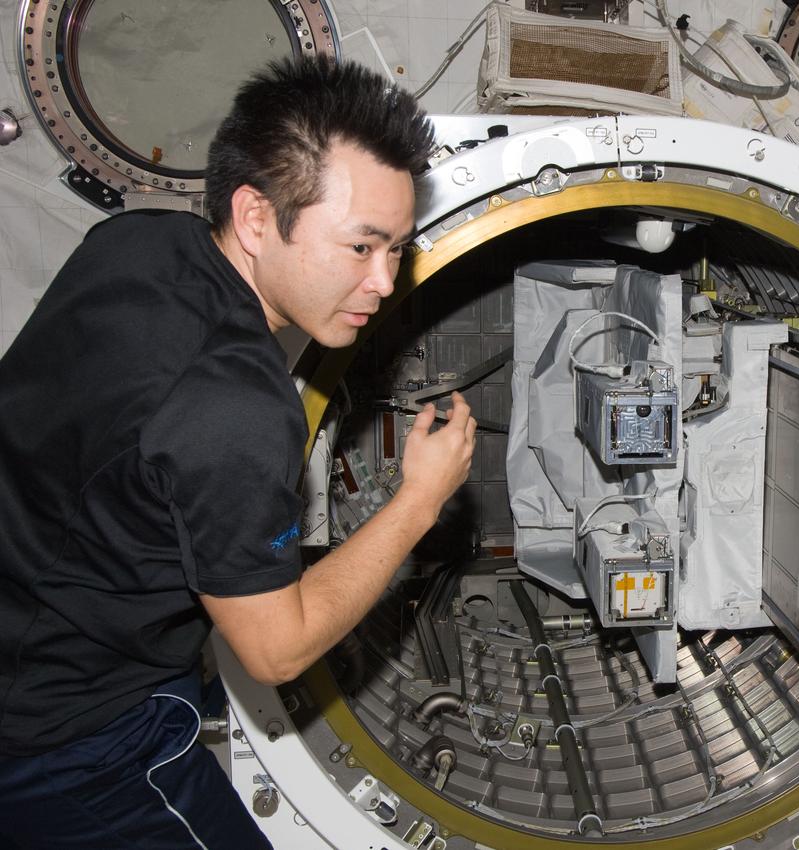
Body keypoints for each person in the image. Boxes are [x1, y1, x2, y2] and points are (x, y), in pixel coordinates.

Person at [0, 56, 475, 849]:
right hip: (71, 739)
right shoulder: (237, 407)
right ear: (257, 217)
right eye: (361, 247)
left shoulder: (138, 243)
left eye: (397, 249)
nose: (385, 283)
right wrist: (419, 502)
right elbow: (276, 650)